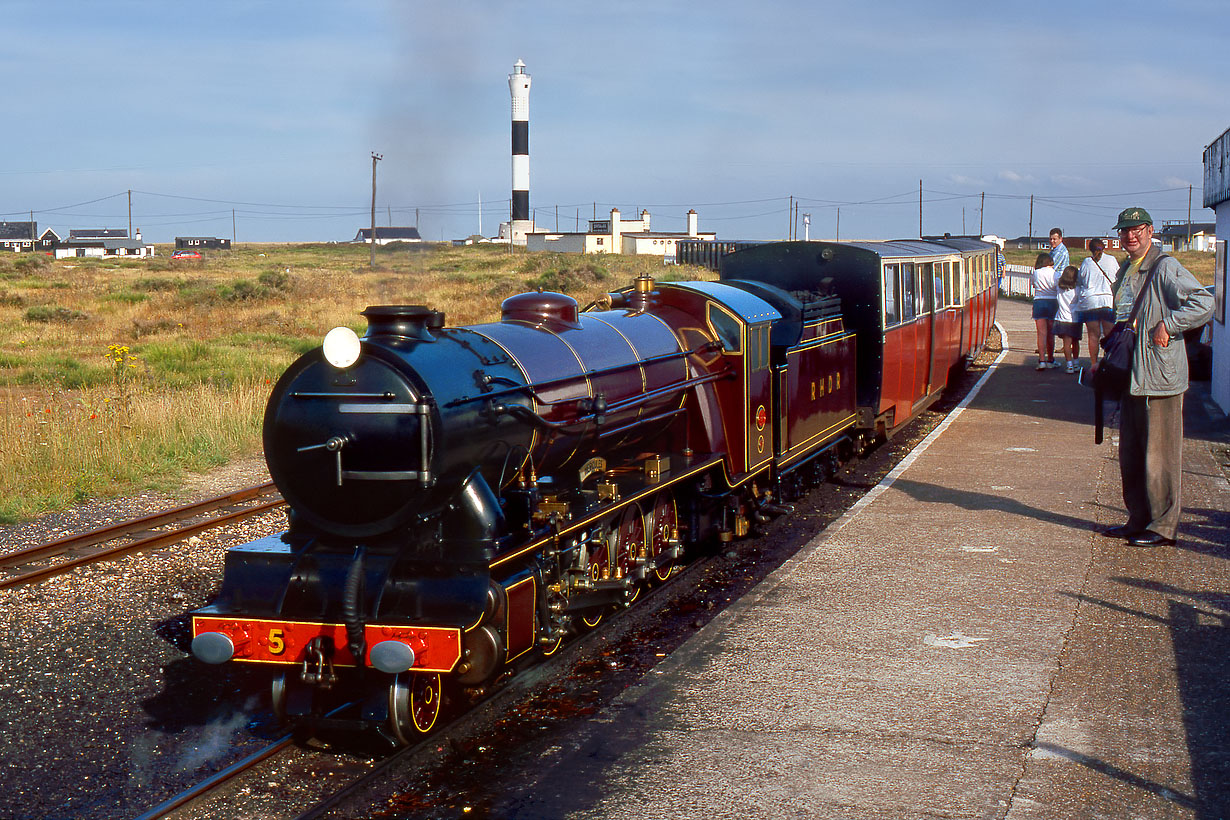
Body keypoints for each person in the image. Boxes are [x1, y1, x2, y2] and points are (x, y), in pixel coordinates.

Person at [1101, 207, 1213, 547]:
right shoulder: (1125, 269)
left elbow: (1204, 302)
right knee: (1131, 454)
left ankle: (1163, 527)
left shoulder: (1165, 267)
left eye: (1136, 229)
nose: (1129, 236)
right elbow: (1123, 317)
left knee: (1160, 457)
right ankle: (1138, 519)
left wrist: (1170, 325)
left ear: (1150, 231)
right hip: (1132, 375)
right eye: (1124, 231)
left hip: (1160, 377)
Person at [1075, 238, 1118, 368]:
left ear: (1090, 249)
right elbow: (1117, 278)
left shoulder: (1087, 262)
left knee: (1093, 336)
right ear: (1103, 247)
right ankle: (1110, 361)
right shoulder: (1112, 260)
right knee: (1109, 334)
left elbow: (1081, 280)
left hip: (1090, 301)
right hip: (1107, 300)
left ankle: (1094, 364)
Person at [1030, 252, 1058, 370]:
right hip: (1052, 302)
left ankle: (1041, 360)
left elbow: (1033, 285)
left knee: (1041, 333)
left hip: (1039, 302)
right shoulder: (1056, 274)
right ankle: (1051, 360)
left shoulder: (1036, 273)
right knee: (1051, 333)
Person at [1053, 265, 1082, 372]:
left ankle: (1069, 364)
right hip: (1075, 319)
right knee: (1076, 342)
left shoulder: (1059, 288)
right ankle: (1076, 363)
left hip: (1062, 318)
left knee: (1066, 343)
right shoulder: (1077, 290)